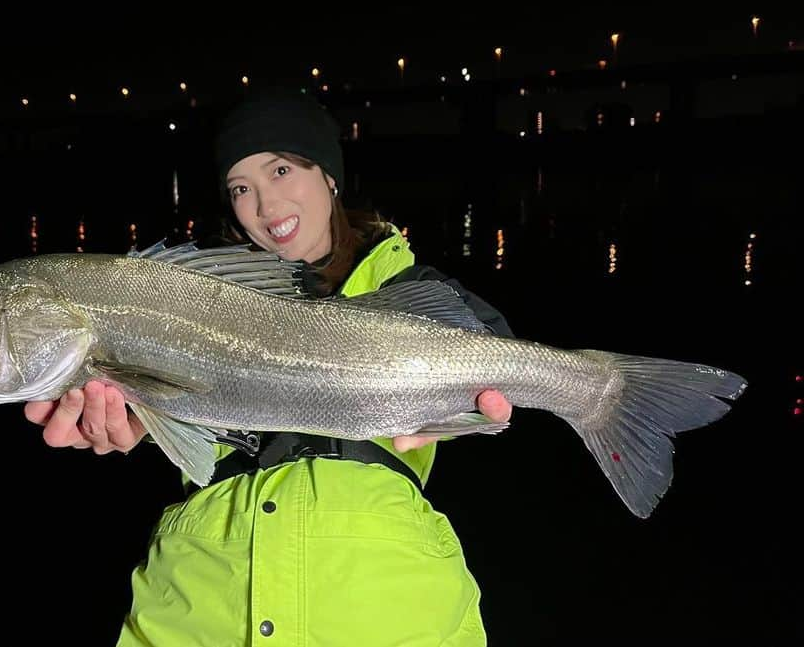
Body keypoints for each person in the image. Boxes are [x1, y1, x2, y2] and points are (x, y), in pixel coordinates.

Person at [25, 89, 515, 646]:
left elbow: (492, 344)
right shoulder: (189, 299)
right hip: (199, 605)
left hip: (387, 604)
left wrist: (478, 406)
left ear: (328, 175)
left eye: (281, 170)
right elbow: (152, 420)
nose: (265, 205)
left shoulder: (406, 290)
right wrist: (139, 422)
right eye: (241, 188)